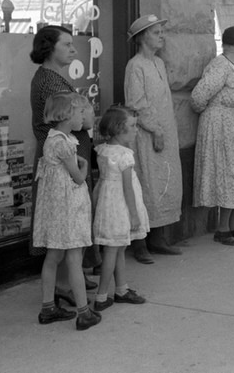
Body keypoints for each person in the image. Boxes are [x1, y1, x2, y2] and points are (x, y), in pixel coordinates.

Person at [29, 25, 98, 291]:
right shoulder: (49, 81)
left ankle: (71, 280)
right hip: (64, 163)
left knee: (71, 224)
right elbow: (84, 119)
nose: (73, 49)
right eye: (66, 44)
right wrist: (87, 112)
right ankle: (63, 287)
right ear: (49, 47)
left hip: (69, 157)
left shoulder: (53, 77)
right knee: (65, 227)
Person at [32, 92, 100, 331]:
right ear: (67, 115)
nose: (83, 117)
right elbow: (79, 178)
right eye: (80, 113)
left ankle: (48, 306)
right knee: (74, 258)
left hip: (55, 210)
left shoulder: (51, 140)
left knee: (53, 256)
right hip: (68, 208)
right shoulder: (65, 143)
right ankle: (84, 312)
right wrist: (83, 164)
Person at [124, 14, 183, 264]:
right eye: (156, 32)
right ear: (142, 37)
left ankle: (158, 238)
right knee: (146, 184)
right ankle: (140, 243)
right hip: (147, 135)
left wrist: (165, 130)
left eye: (161, 31)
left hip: (165, 132)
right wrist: (155, 129)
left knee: (164, 184)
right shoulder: (135, 65)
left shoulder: (158, 63)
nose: (161, 36)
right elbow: (136, 103)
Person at [191, 26, 234, 246]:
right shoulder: (220, 66)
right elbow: (199, 97)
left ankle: (233, 225)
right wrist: (216, 117)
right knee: (229, 175)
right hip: (224, 129)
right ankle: (222, 229)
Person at [92, 105, 150, 312]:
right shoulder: (125, 155)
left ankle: (121, 289)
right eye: (132, 126)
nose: (136, 129)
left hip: (108, 205)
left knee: (117, 249)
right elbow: (127, 188)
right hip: (120, 208)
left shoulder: (104, 151)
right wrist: (134, 214)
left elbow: (101, 181)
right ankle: (101, 296)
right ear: (119, 129)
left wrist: (95, 203)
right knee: (113, 251)